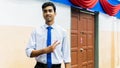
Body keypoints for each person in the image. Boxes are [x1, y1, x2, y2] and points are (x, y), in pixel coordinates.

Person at [25, 2, 71, 68]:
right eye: (45, 11)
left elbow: (67, 57)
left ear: (55, 13)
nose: (48, 13)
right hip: (40, 66)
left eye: (50, 11)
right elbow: (28, 52)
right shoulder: (36, 31)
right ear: (43, 14)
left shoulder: (62, 32)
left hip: (56, 66)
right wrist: (44, 51)